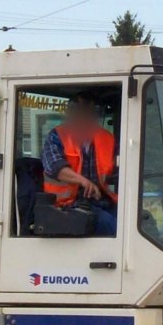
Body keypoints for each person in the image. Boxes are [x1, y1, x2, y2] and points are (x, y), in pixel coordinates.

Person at [41, 93, 117, 236]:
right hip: (69, 205)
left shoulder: (107, 139)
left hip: (103, 201)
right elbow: (54, 167)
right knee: (110, 226)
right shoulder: (57, 136)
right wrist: (84, 182)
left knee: (136, 222)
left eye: (90, 114)